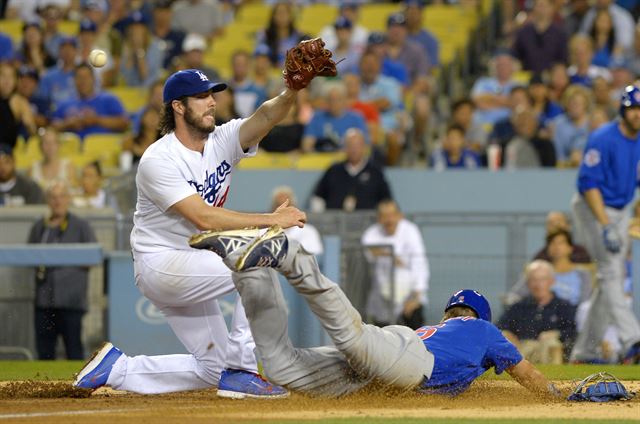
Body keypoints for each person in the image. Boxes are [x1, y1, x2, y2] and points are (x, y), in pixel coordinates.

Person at [73, 67, 308, 398]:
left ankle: (116, 369)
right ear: (178, 106)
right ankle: (242, 371)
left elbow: (266, 116)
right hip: (162, 263)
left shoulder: (221, 141)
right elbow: (203, 217)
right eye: (200, 97)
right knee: (257, 262)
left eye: (211, 94)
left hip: (192, 261)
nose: (211, 102)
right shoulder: (158, 159)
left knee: (212, 367)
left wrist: (291, 92)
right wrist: (270, 220)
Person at [186, 225, 563, 399]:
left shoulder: (443, 327)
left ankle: (249, 268)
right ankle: (289, 254)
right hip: (406, 360)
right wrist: (559, 397)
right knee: (349, 333)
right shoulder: (484, 331)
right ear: (479, 315)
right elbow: (527, 373)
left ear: (450, 313)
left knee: (282, 367)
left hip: (382, 370)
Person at [569, 85, 640, 364]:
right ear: (623, 110)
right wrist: (605, 224)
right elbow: (589, 184)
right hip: (592, 207)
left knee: (609, 278)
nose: (638, 115)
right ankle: (632, 338)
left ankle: (585, 352)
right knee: (612, 271)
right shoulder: (603, 138)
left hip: (620, 208)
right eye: (634, 109)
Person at [27, 180, 97, 360]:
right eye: (53, 197)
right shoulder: (39, 227)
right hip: (44, 301)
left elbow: (92, 258)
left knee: (74, 352)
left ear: (68, 199)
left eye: (62, 197)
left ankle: (77, 389)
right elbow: (28, 257)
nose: (57, 201)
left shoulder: (82, 226)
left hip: (71, 302)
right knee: (44, 354)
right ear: (47, 201)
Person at [361, 199, 429, 330]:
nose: (389, 220)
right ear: (379, 219)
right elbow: (368, 249)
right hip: (382, 300)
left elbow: (419, 263)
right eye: (385, 216)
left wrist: (417, 296)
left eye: (392, 215)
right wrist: (389, 254)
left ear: (399, 215)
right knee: (385, 339)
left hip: (409, 298)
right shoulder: (372, 233)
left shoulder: (410, 231)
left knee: (414, 337)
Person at [497, 260, 576, 364]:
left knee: (551, 344)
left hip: (549, 352)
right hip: (524, 351)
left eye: (542, 279)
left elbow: (572, 332)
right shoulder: (518, 307)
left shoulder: (563, 306)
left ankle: (554, 377)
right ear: (528, 283)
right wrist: (511, 339)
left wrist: (556, 334)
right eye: (534, 280)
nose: (538, 285)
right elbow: (501, 327)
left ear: (551, 281)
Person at [310, 128, 392, 212]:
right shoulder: (333, 171)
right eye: (350, 145)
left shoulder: (375, 172)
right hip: (335, 222)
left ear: (364, 147)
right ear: (344, 148)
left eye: (357, 145)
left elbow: (386, 201)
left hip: (368, 222)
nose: (354, 150)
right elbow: (318, 198)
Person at [271, 186, 323, 256]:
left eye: (287, 206)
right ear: (272, 209)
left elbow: (315, 257)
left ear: (294, 207)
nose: (284, 210)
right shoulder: (263, 232)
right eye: (279, 205)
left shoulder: (309, 231)